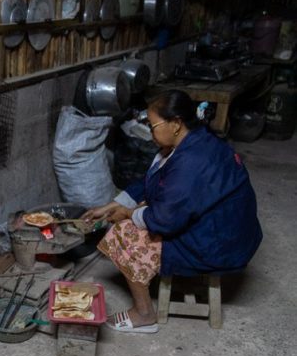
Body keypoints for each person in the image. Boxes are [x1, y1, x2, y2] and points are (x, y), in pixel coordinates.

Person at [82, 90, 262, 333]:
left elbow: (163, 221)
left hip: (219, 244)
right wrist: (115, 204)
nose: (149, 132)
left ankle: (144, 313)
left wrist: (127, 214)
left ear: (176, 123)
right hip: (225, 229)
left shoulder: (191, 162)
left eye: (153, 125)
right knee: (136, 215)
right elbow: (154, 181)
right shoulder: (194, 139)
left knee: (123, 234)